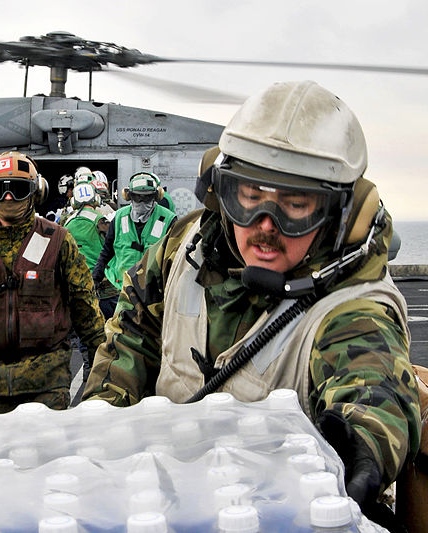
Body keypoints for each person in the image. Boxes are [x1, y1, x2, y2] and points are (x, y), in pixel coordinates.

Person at [83, 81, 420, 530]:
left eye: (295, 205)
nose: (265, 227)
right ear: (221, 192)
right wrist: (100, 434)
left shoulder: (352, 305)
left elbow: (371, 382)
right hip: (160, 502)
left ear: (340, 215)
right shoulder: (182, 248)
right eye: (250, 197)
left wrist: (363, 446)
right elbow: (132, 336)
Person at [0, 151, 106, 413]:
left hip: (48, 383)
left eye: (19, 189)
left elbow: (84, 306)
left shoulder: (57, 239)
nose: (9, 197)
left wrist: (103, 360)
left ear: (36, 192)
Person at [91, 172, 177, 293]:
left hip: (154, 291)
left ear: (156, 196)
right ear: (129, 196)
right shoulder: (120, 217)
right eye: (137, 197)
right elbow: (107, 250)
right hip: (122, 286)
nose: (142, 201)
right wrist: (95, 278)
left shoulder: (168, 219)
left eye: (147, 197)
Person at [63, 182, 111, 380]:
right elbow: (113, 248)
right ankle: (106, 367)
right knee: (108, 328)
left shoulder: (66, 221)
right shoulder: (103, 220)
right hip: (105, 286)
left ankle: (88, 365)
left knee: (84, 326)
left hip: (77, 283)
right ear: (96, 199)